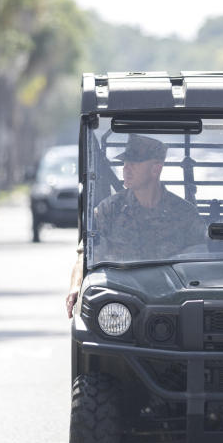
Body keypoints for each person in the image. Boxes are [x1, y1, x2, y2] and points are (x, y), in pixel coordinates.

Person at [65, 134, 205, 317]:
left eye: (134, 163)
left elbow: (201, 258)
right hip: (122, 304)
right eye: (125, 163)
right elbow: (86, 252)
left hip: (174, 304)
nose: (126, 168)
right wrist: (76, 286)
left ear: (156, 169)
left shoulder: (184, 214)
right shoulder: (110, 210)